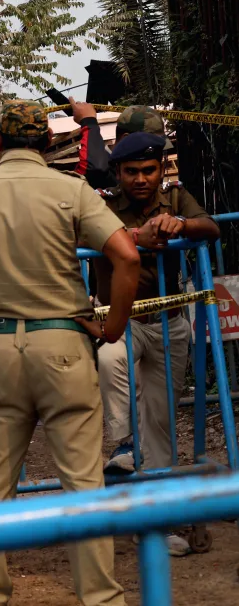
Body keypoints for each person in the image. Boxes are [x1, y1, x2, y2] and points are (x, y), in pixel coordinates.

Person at [0, 99, 139, 606]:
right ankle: (101, 599)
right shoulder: (71, 190)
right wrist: (114, 325)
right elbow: (125, 255)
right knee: (84, 485)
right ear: (46, 143)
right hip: (64, 347)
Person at [94, 134, 219, 492]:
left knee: (160, 422)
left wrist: (180, 223)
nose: (140, 178)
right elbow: (78, 237)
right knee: (110, 360)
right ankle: (125, 443)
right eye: (131, 171)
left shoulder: (175, 196)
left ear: (161, 168)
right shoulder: (102, 203)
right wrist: (134, 238)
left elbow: (209, 227)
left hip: (169, 324)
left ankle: (158, 515)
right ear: (117, 172)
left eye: (148, 170)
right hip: (122, 322)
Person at [70, 99, 173, 191]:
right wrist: (89, 122)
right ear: (125, 139)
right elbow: (95, 169)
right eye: (149, 146)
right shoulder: (106, 167)